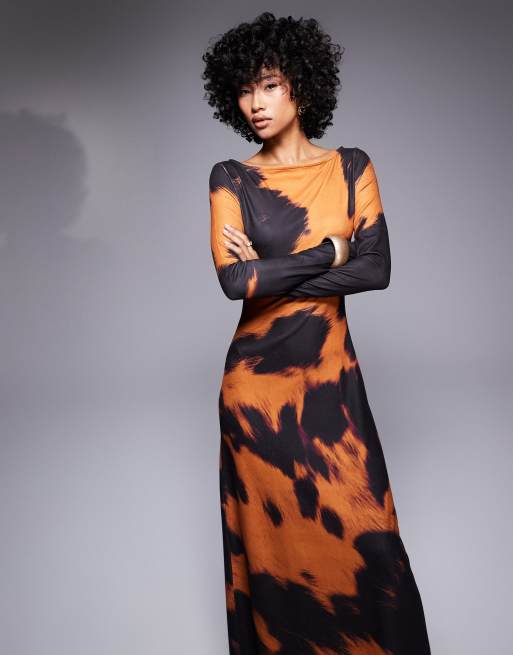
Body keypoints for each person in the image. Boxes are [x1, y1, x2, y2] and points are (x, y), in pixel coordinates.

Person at [202, 12, 431, 655]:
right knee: (278, 562)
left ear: (301, 86)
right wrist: (330, 252)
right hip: (257, 396)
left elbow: (376, 269)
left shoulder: (351, 166)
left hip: (333, 385)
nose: (256, 103)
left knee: (371, 545)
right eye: (244, 90)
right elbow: (234, 283)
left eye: (270, 85)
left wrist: (271, 275)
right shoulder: (231, 177)